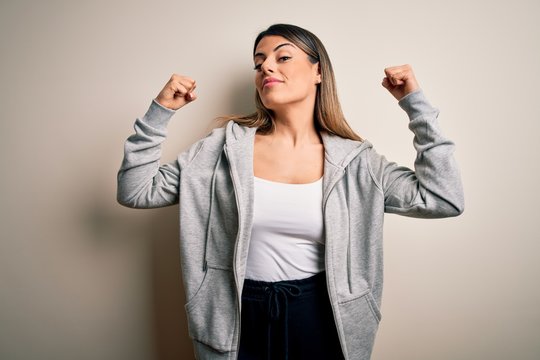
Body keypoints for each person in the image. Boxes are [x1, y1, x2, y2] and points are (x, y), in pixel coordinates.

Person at [117, 23, 464, 360]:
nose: (265, 65)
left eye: (282, 57)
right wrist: (159, 113)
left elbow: (442, 198)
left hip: (322, 316)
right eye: (258, 62)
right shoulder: (221, 148)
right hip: (235, 314)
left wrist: (415, 105)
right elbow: (136, 190)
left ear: (318, 72)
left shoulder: (357, 162)